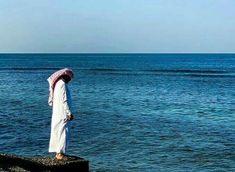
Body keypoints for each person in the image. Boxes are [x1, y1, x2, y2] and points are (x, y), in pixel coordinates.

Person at [47, 68, 74, 160]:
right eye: (69, 78)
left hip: (58, 113)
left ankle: (58, 152)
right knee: (63, 132)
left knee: (58, 131)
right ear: (66, 76)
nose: (70, 80)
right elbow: (64, 100)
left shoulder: (57, 84)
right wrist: (69, 112)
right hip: (63, 113)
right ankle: (60, 153)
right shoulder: (62, 84)